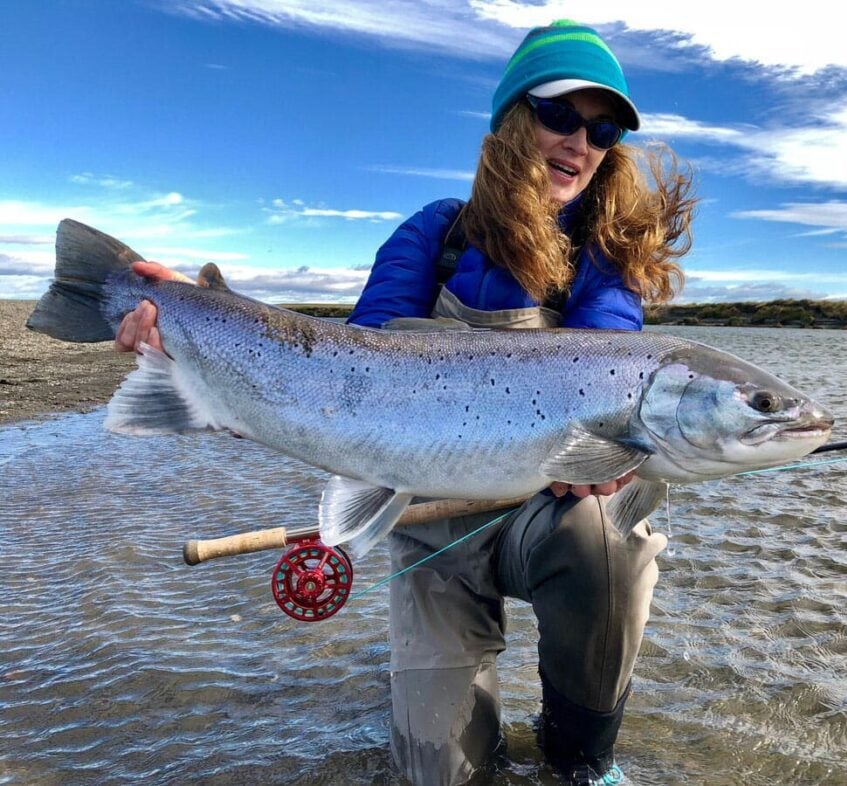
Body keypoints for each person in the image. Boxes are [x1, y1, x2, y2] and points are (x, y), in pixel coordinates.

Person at [115, 19, 695, 785]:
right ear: (512, 122)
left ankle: (582, 760)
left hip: (540, 514)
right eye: (561, 115)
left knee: (606, 539)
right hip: (428, 527)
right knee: (437, 775)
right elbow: (347, 369)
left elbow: (611, 354)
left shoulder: (603, 258)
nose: (580, 141)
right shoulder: (436, 234)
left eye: (603, 128)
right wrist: (193, 337)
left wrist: (614, 457)